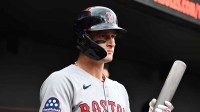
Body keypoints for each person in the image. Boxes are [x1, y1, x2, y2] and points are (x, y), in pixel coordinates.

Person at [39, 6, 174, 112]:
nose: (112, 43)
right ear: (83, 39)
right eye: (103, 36)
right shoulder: (61, 81)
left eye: (113, 36)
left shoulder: (119, 89)